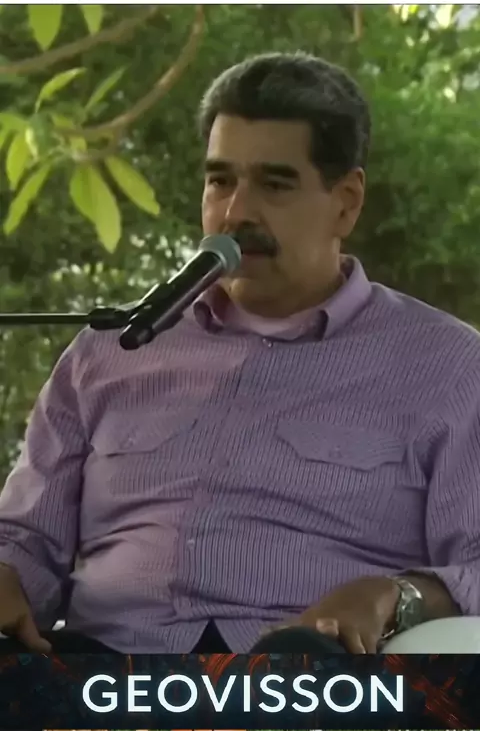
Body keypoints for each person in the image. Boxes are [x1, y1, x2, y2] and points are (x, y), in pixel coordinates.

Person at [0, 52, 479, 657]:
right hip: (101, 675)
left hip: (312, 678)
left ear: (346, 201)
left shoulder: (449, 367)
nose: (235, 213)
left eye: (274, 185)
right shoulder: (110, 350)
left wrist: (393, 596)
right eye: (220, 181)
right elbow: (25, 541)